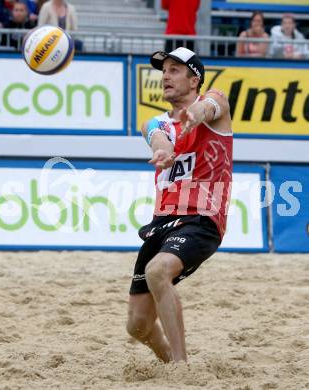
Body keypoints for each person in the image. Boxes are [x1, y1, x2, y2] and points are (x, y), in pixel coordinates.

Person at [126, 47, 233, 363]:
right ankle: (169, 359)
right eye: (164, 71)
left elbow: (209, 108)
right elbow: (154, 134)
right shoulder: (155, 122)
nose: (165, 76)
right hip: (162, 222)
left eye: (174, 69)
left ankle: (182, 369)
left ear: (194, 78)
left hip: (202, 218)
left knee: (158, 270)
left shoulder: (215, 103)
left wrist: (192, 116)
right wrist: (162, 147)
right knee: (138, 325)